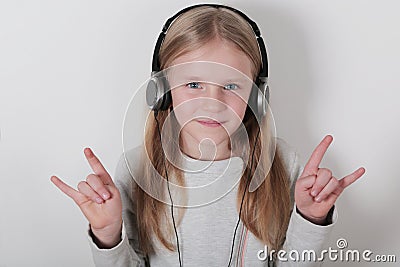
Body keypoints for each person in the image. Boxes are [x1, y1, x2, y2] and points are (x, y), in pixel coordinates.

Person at [50, 4, 365, 267]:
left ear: (258, 97)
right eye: (193, 84)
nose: (212, 103)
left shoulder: (282, 163)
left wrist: (309, 219)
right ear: (161, 92)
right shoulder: (136, 169)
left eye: (231, 86)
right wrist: (108, 234)